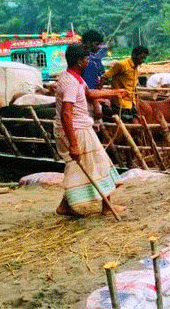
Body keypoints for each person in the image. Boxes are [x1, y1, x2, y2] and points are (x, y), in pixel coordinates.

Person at [54, 43, 128, 217]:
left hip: (78, 127)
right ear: (80, 61)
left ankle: (65, 206)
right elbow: (66, 114)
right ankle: (107, 206)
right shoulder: (71, 83)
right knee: (99, 163)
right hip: (77, 129)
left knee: (77, 168)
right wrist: (73, 144)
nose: (88, 61)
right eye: (86, 58)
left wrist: (114, 93)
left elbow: (88, 94)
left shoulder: (74, 78)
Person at [100, 46, 149, 121]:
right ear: (134, 55)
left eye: (144, 58)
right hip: (120, 103)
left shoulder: (136, 68)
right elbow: (105, 77)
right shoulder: (122, 65)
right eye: (141, 58)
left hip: (132, 102)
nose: (142, 61)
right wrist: (98, 93)